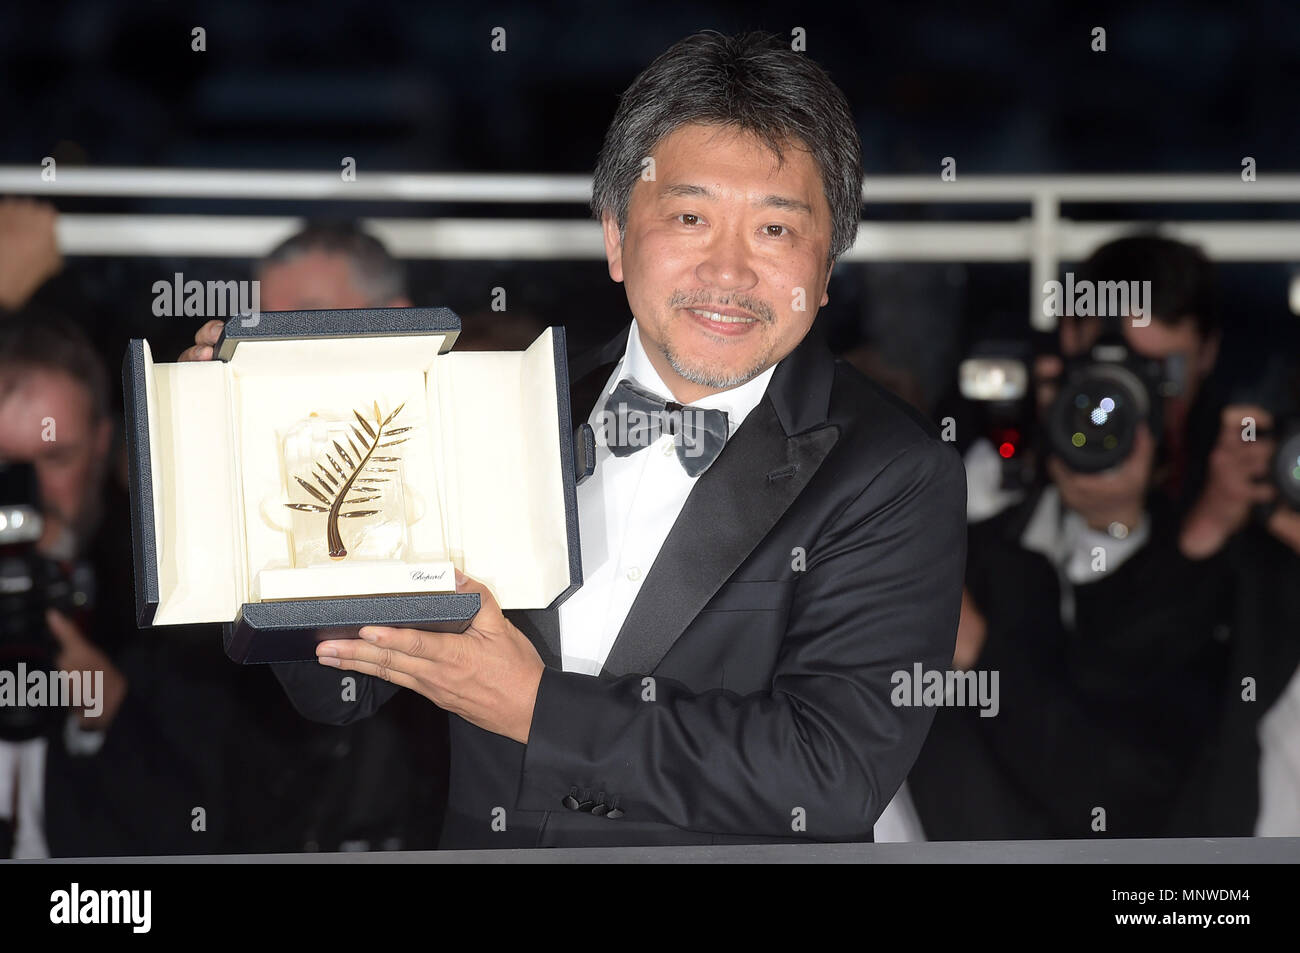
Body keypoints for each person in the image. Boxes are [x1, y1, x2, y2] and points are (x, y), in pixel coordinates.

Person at [239, 30, 968, 849]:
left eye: (774, 230)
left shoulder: (895, 473)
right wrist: (258, 438)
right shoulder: (507, 408)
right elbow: (340, 687)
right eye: (690, 216)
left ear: (826, 266)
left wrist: (535, 707)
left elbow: (831, 774)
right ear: (617, 235)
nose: (727, 271)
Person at [908, 235, 1296, 839]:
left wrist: (1162, 529)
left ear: (1207, 357)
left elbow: (1138, 762)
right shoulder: (980, 485)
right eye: (1108, 369)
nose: (1124, 403)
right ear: (1069, 340)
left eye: (1159, 370)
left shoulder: (1232, 491)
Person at [179, 220, 412, 362]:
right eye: (263, 321)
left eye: (307, 317)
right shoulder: (254, 397)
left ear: (396, 319)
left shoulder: (439, 408)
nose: (275, 339)